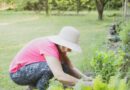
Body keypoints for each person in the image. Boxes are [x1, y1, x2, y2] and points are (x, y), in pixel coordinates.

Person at [9, 26, 93, 90]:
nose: (69, 49)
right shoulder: (49, 46)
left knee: (64, 67)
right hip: (17, 73)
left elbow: (71, 68)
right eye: (67, 45)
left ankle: (32, 87)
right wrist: (83, 84)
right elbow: (59, 75)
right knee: (50, 68)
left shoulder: (59, 48)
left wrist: (85, 78)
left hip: (29, 70)